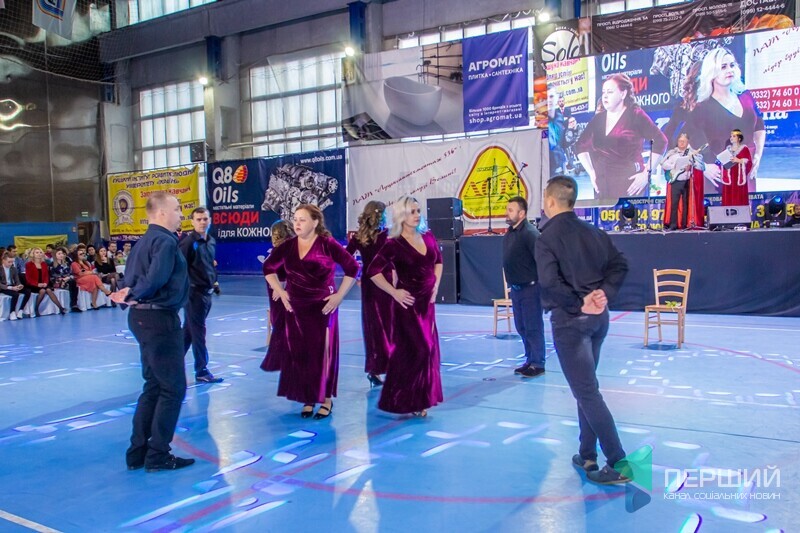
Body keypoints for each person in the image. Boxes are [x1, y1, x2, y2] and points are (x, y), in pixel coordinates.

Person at [535, 176, 631, 484]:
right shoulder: (595, 232)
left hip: (571, 323)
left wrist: (579, 303)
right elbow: (620, 265)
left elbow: (549, 283)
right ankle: (587, 453)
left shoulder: (546, 238)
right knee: (586, 387)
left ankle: (618, 462)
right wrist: (603, 292)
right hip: (598, 320)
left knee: (587, 391)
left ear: (550, 201)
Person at [110, 191, 194, 473]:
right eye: (177, 209)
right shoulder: (165, 242)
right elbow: (155, 278)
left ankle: (138, 452)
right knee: (173, 387)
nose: (180, 214)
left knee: (154, 384)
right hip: (159, 319)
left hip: (141, 319)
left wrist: (129, 295)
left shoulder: (142, 242)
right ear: (162, 213)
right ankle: (158, 454)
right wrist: (133, 294)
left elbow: (132, 279)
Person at [262, 204, 359, 419]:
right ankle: (308, 397)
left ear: (315, 222)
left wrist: (339, 296)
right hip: (296, 309)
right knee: (302, 355)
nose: (297, 223)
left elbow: (353, 268)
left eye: (302, 219)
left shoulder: (327, 244)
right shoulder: (288, 246)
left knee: (322, 354)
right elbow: (268, 268)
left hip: (323, 307)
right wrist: (281, 291)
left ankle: (326, 399)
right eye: (295, 219)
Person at [368, 196, 444, 417]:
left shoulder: (428, 236)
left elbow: (438, 261)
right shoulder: (394, 243)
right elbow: (372, 271)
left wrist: (436, 286)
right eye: (412, 211)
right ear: (402, 215)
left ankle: (419, 400)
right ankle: (404, 398)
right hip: (407, 306)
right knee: (419, 350)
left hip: (427, 304)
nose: (417, 215)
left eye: (418, 211)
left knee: (427, 352)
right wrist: (394, 292)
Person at [683, 47, 765, 193]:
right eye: (723, 67)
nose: (729, 70)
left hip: (747, 172)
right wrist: (705, 167)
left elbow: (759, 126)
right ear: (712, 72)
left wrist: (757, 155)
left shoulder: (746, 96)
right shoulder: (702, 107)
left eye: (732, 65)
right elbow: (688, 144)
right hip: (719, 177)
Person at [576, 74, 667, 201]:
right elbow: (580, 146)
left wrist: (646, 174)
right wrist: (591, 172)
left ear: (623, 94)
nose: (605, 96)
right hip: (602, 188)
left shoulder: (635, 115)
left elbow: (661, 141)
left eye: (610, 92)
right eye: (603, 92)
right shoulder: (598, 119)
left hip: (630, 187)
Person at [346, 200, 394, 388]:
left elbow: (346, 257)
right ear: (381, 214)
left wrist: (358, 275)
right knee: (389, 324)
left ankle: (375, 368)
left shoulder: (360, 236)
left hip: (369, 283)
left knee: (373, 326)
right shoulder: (388, 235)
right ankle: (390, 366)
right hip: (386, 281)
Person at [502, 196, 545, 378]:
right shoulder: (510, 233)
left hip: (531, 289)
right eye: (507, 209)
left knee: (533, 326)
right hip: (517, 289)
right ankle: (529, 360)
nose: (507, 213)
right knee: (522, 326)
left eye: (511, 210)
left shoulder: (530, 233)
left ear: (522, 213)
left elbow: (542, 259)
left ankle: (538, 363)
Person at [179, 207, 223, 384]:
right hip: (193, 294)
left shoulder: (211, 241)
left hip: (206, 293)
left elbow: (209, 265)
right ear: (192, 222)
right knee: (198, 332)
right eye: (198, 219)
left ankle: (171, 362)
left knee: (189, 332)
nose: (202, 222)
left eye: (205, 219)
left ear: (210, 220)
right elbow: (180, 268)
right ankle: (201, 370)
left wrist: (215, 282)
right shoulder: (188, 243)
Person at [260, 220, 294, 373]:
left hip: (282, 292)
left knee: (281, 323)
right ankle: (278, 360)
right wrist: (278, 286)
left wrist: (281, 285)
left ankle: (278, 360)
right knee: (280, 323)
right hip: (277, 292)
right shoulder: (280, 251)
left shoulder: (287, 250)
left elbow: (290, 271)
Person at [661, 133, 706, 230]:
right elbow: (663, 164)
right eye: (680, 141)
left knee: (686, 204)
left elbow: (701, 167)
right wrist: (674, 166)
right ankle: (673, 224)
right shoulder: (672, 153)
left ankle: (684, 224)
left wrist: (692, 165)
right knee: (674, 204)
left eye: (683, 141)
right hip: (675, 181)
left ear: (687, 142)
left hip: (686, 181)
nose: (681, 143)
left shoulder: (691, 153)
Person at [25, 247, 66, 316]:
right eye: (37, 253)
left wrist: (45, 283)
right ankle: (36, 308)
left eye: (40, 252)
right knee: (43, 291)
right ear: (33, 254)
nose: (39, 254)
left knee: (49, 290)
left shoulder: (44, 264)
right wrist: (37, 284)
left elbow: (46, 276)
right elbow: (28, 278)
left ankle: (60, 308)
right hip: (33, 285)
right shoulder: (29, 264)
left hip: (43, 284)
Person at [719, 129, 753, 206]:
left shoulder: (744, 149)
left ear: (739, 138)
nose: (731, 138)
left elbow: (749, 163)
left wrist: (739, 160)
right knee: (728, 197)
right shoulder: (727, 149)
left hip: (738, 178)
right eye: (731, 136)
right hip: (729, 178)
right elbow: (723, 163)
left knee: (739, 197)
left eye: (734, 136)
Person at [0, 251, 31, 320]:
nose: (11, 264)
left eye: (12, 262)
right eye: (9, 262)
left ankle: (21, 310)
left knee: (28, 291)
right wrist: (10, 288)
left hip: (12, 285)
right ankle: (12, 312)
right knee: (15, 294)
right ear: (3, 260)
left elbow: (17, 280)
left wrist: (19, 285)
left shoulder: (13, 269)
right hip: (3, 287)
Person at [50, 247, 81, 312]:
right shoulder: (52, 265)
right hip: (57, 282)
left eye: (62, 253)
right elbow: (52, 276)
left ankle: (74, 304)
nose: (61, 255)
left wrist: (68, 277)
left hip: (68, 280)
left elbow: (71, 273)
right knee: (72, 283)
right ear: (55, 255)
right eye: (59, 254)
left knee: (74, 282)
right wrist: (62, 279)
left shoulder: (67, 264)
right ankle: (73, 304)